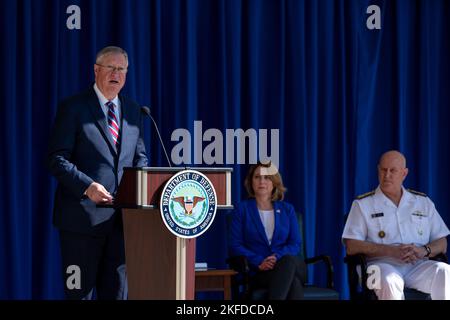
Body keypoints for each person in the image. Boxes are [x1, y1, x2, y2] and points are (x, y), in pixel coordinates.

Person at [47, 46, 148, 299]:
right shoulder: (74, 108)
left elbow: (140, 158)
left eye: (121, 69)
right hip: (80, 222)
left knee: (116, 294)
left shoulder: (135, 111)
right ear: (96, 70)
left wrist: (141, 186)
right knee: (79, 295)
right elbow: (57, 158)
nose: (116, 74)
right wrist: (87, 186)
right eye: (110, 68)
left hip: (122, 224)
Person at [342, 150, 450, 300]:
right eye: (383, 170)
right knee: (390, 280)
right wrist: (390, 251)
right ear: (378, 170)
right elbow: (351, 246)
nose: (387, 175)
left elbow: (442, 242)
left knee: (445, 271)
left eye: (393, 170)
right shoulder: (362, 204)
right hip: (379, 265)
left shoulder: (423, 202)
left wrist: (423, 251)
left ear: (404, 174)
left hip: (417, 265)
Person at [229, 162, 306, 300]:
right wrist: (259, 261)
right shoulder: (242, 210)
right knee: (293, 283)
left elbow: (295, 244)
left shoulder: (287, 209)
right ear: (251, 182)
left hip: (289, 264)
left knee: (287, 262)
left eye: (267, 177)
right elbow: (235, 245)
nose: (262, 181)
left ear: (274, 182)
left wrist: (277, 257)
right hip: (260, 271)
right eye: (257, 177)